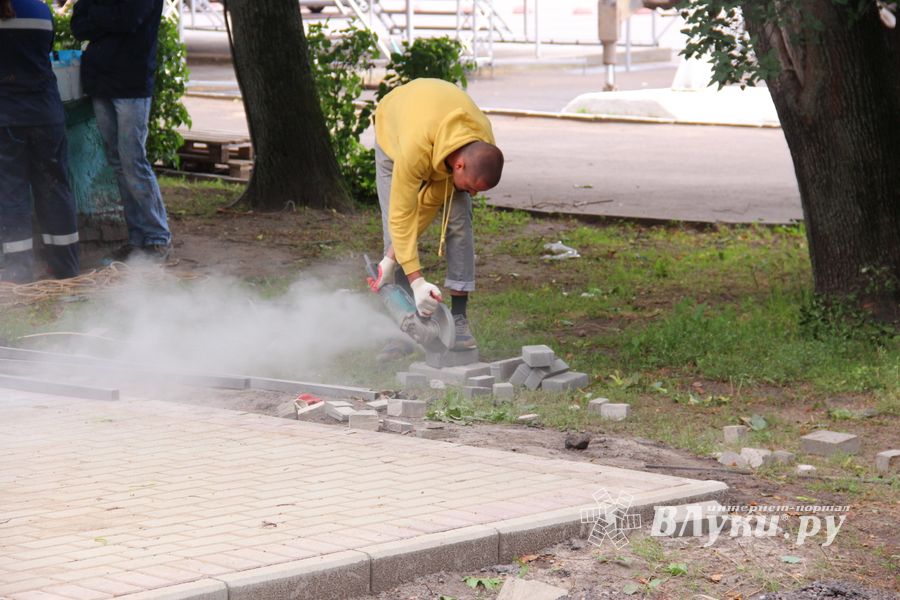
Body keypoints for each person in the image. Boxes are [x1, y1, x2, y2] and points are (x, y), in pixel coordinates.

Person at [367, 78, 504, 357]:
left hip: (440, 132)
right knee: (394, 231)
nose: (474, 194)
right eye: (473, 187)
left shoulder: (481, 144)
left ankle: (459, 319)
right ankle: (405, 327)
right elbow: (404, 215)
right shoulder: (414, 148)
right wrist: (406, 272)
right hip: (396, 131)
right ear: (459, 165)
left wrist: (397, 259)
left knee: (459, 221)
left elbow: (428, 202)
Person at [71, 0, 172, 261]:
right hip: (100, 81)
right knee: (119, 163)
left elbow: (128, 20)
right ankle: (139, 239)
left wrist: (97, 13)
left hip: (132, 82)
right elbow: (78, 26)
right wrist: (108, 16)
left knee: (133, 162)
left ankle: (157, 238)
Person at [0, 0, 80, 283]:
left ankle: (18, 270)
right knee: (55, 189)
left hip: (8, 117)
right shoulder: (42, 11)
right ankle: (66, 267)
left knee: (11, 193)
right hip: (46, 114)